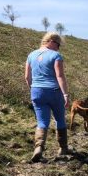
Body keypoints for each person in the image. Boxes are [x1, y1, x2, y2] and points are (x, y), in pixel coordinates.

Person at [25, 32, 70, 162]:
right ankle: (63, 148)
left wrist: (34, 89)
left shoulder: (31, 55)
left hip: (37, 91)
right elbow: (60, 76)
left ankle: (38, 147)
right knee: (60, 119)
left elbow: (27, 77)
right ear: (51, 41)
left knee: (42, 122)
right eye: (58, 44)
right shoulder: (56, 56)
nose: (58, 47)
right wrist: (65, 94)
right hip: (54, 91)